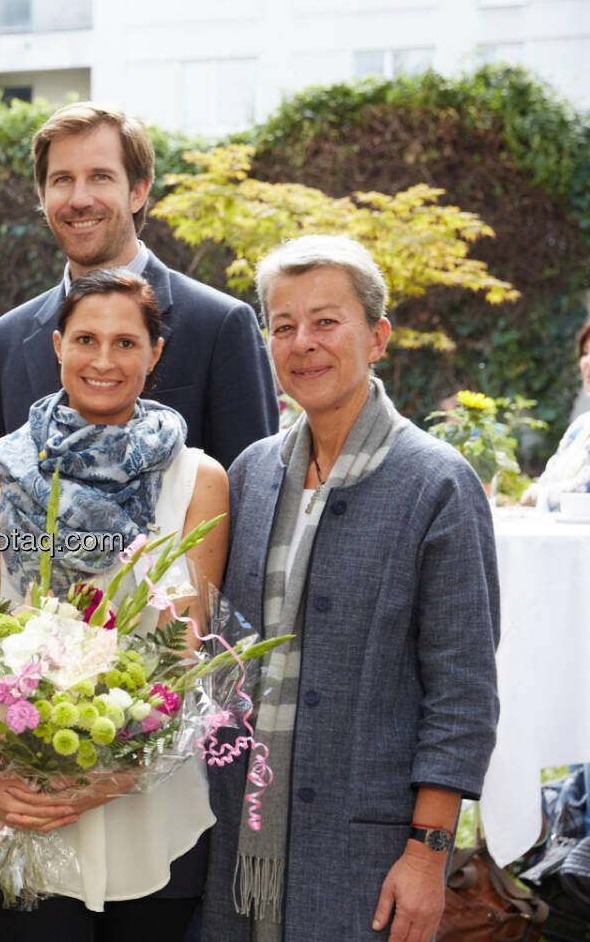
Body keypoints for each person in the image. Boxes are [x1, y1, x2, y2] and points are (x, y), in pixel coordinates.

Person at [201, 235, 500, 942]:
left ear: (378, 337)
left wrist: (427, 857)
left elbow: (462, 693)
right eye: (283, 325)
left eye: (326, 321)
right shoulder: (250, 473)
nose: (303, 343)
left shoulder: (436, 484)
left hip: (364, 853)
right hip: (235, 845)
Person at [0, 268, 230, 940]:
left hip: (151, 801)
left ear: (155, 353)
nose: (103, 361)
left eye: (125, 343)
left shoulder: (199, 480)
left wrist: (114, 773)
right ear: (56, 346)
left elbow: (184, 650)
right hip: (27, 802)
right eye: (85, 339)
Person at [0, 101, 277, 467]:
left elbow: (251, 495)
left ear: (138, 192)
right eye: (62, 179)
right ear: (42, 196)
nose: (79, 199)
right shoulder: (6, 340)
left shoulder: (219, 326)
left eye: (100, 176)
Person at [522, 317, 590, 510]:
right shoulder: (581, 425)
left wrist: (537, 496)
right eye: (585, 353)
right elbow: (547, 479)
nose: (587, 362)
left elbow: (584, 493)